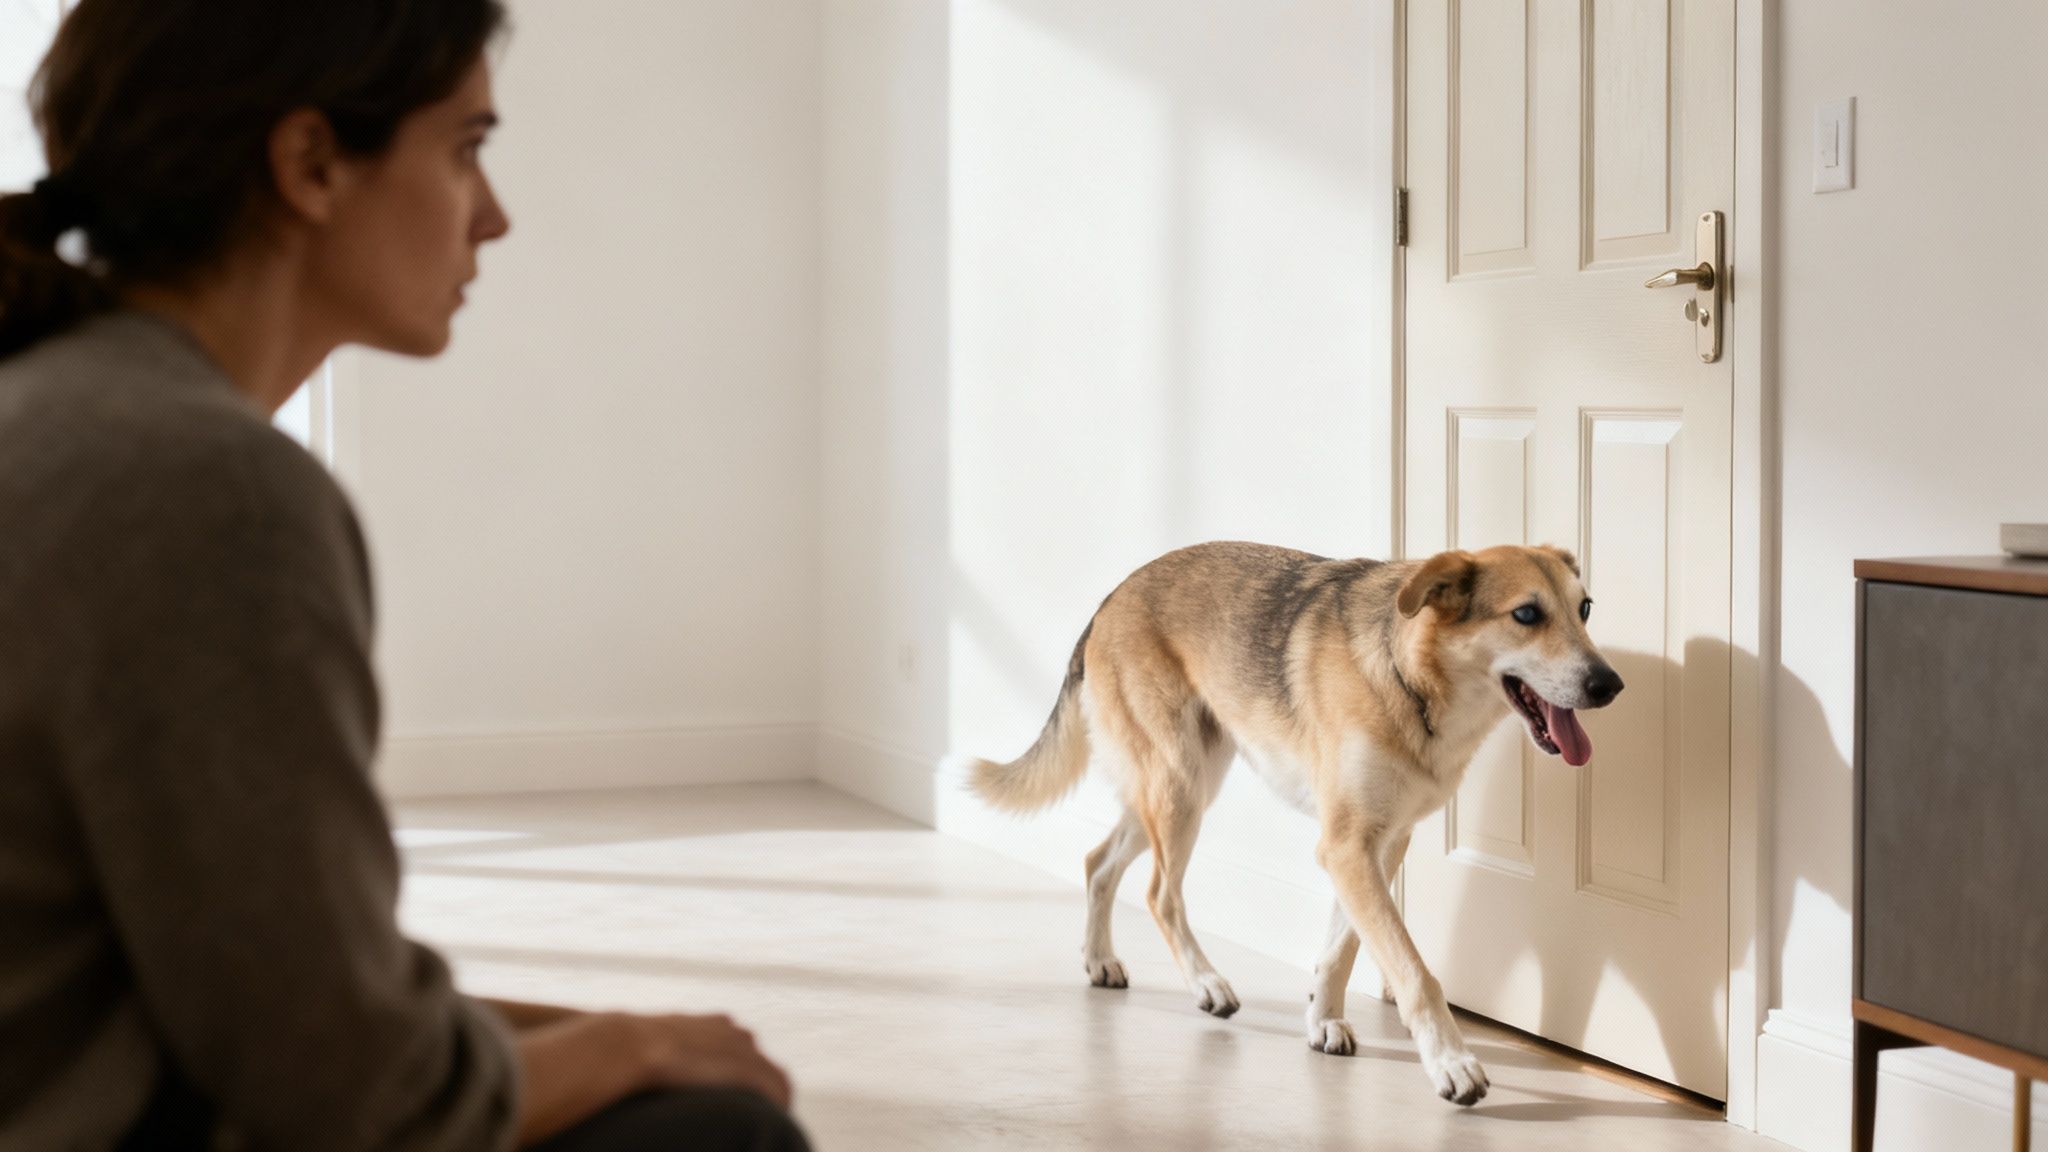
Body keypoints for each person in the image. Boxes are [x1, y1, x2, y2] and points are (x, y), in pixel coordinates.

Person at [0, 2, 807, 1149]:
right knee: (712, 1130)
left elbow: (250, 991)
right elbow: (348, 1093)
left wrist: (594, 1033)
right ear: (313, 163)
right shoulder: (201, 486)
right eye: (465, 149)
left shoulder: (59, 407)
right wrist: (631, 1047)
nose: (496, 217)